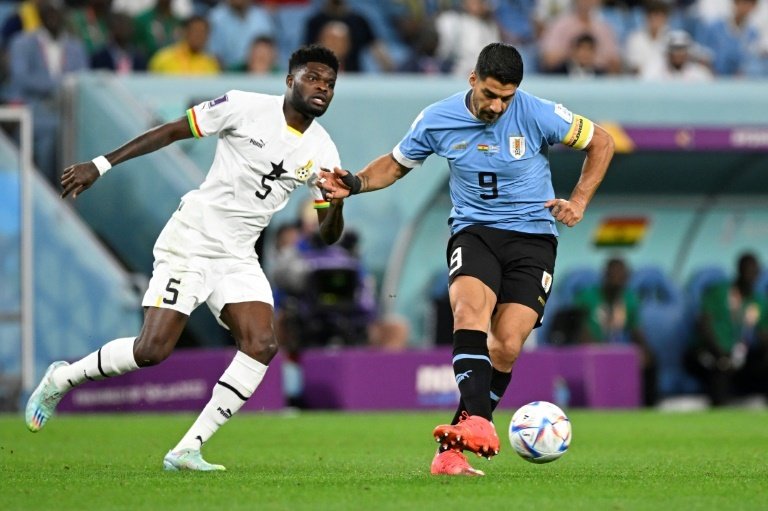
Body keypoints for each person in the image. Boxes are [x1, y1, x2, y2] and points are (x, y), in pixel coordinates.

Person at [25, 45, 345, 472]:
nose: (321, 88)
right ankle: (61, 378)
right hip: (192, 238)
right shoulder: (243, 106)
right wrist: (100, 165)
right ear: (290, 80)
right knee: (151, 350)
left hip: (237, 253)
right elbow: (172, 131)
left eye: (329, 84)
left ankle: (187, 448)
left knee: (263, 344)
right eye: (313, 78)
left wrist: (336, 201)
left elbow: (328, 235)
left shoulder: (324, 152)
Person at [318, 42, 614, 476]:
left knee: (507, 345)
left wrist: (581, 200)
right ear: (472, 79)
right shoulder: (437, 118)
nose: (498, 105)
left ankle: (453, 451)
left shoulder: (537, 112)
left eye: (506, 97)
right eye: (491, 94)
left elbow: (601, 142)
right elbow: (397, 165)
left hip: (533, 238)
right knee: (469, 309)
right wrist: (357, 182)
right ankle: (479, 422)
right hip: (475, 233)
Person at [572, 258, 658, 406]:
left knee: (651, 359)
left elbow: (636, 330)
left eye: (622, 276)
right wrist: (604, 352)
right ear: (605, 275)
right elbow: (581, 332)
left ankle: (648, 408)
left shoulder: (629, 298)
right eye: (614, 275)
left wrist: (644, 350)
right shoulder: (588, 296)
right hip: (591, 349)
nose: (618, 281)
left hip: (618, 349)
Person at [686, 252, 768, 406]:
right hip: (710, 353)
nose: (751, 276)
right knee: (720, 368)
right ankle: (719, 415)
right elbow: (704, 324)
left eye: (755, 272)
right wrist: (720, 352)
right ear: (739, 271)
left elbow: (763, 333)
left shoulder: (759, 301)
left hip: (739, 356)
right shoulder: (720, 292)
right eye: (747, 271)